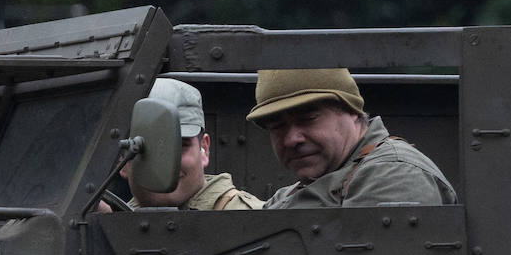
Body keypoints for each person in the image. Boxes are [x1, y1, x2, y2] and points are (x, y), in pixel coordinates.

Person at [246, 68, 457, 208]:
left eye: (308, 119)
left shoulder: (394, 174)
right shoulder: (298, 190)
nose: (292, 139)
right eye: (277, 127)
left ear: (352, 110)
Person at [111, 78, 262, 211]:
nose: (167, 164)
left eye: (181, 146)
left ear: (205, 149)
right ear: (121, 162)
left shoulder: (250, 220)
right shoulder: (112, 223)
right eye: (148, 147)